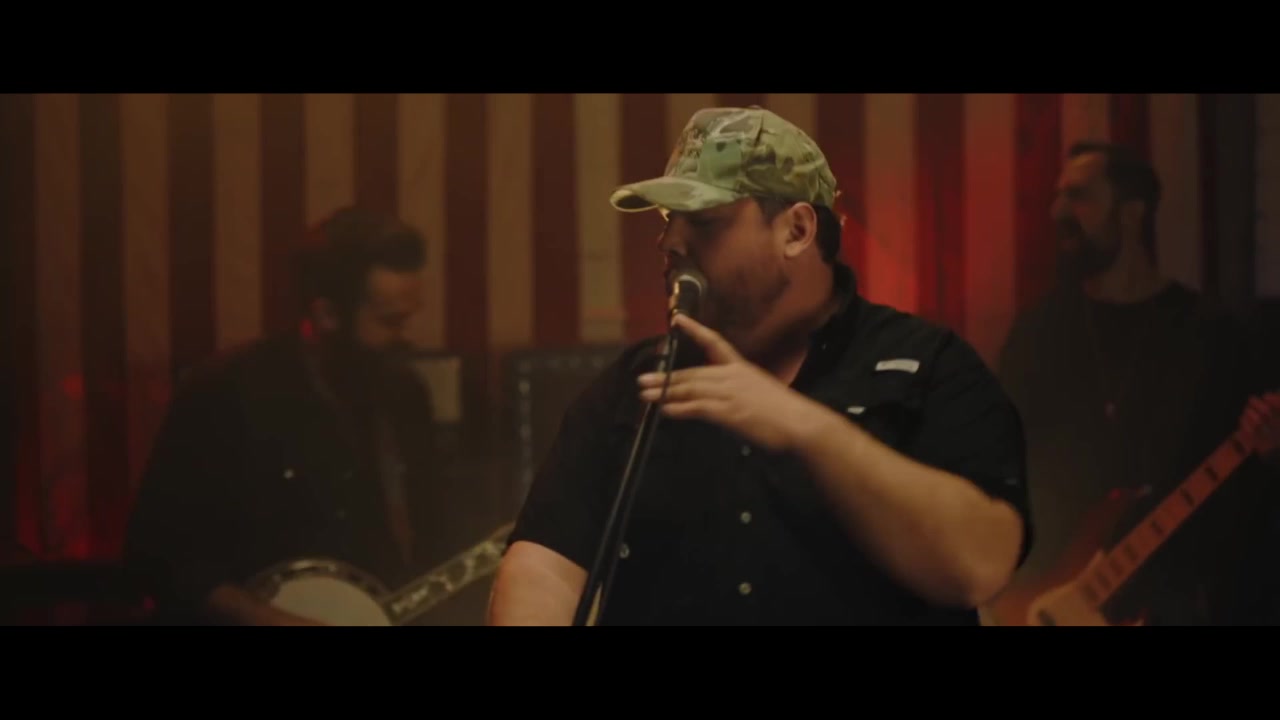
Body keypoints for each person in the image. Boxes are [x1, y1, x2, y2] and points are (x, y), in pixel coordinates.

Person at [487, 106, 1032, 626]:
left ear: (796, 230)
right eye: (669, 219)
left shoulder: (928, 366)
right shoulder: (632, 387)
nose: (669, 241)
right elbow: (543, 566)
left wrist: (808, 428)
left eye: (704, 221)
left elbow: (980, 565)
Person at [124, 206, 469, 625]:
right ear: (327, 315)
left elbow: (434, 538)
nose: (404, 337)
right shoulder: (224, 393)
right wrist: (268, 618)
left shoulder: (404, 395)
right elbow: (159, 557)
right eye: (390, 322)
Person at [989, 141, 1280, 626]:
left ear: (1131, 213)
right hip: (1046, 599)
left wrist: (1271, 452)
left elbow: (1246, 493)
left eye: (1079, 196)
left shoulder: (1209, 334)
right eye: (1058, 197)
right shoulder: (1039, 334)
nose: (1058, 212)